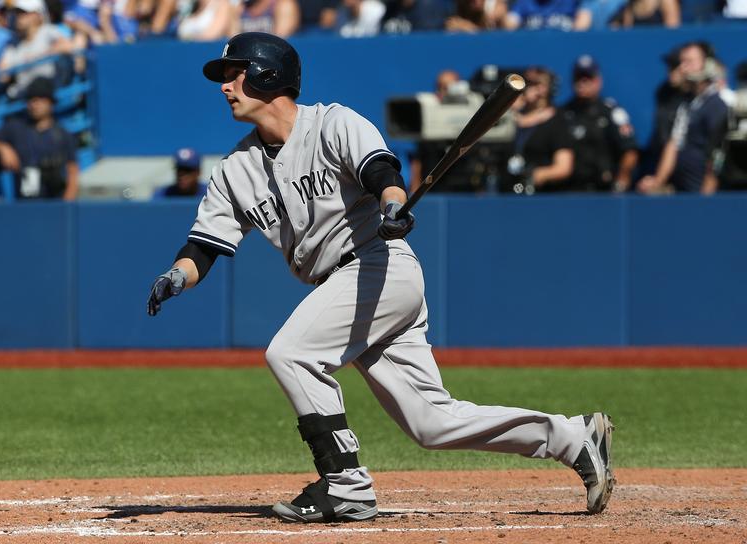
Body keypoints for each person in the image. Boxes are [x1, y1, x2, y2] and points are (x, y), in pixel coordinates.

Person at [146, 32, 614, 523]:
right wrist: (178, 275)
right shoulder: (233, 171)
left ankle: (345, 485)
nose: (225, 85)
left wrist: (394, 204)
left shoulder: (332, 123)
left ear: (269, 73)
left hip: (378, 263)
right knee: (431, 423)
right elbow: (203, 246)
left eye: (234, 72)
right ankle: (573, 438)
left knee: (291, 353)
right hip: (342, 285)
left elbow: (380, 170)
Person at [637, 53, 730, 194]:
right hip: (685, 188)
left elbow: (719, 148)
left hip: (706, 188)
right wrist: (659, 181)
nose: (683, 68)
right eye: (681, 63)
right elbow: (673, 144)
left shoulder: (718, 103)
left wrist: (710, 183)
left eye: (690, 61)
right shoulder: (685, 105)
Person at [0, 77, 79, 200]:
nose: (35, 104)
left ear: (51, 102)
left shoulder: (63, 134)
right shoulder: (16, 128)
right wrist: (2, 148)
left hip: (55, 202)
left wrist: (66, 207)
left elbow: (73, 173)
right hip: (26, 204)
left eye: (40, 100)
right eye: (31, 100)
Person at [561, 55, 637, 192]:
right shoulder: (564, 113)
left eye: (588, 78)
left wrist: (622, 178)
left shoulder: (611, 111)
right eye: (578, 78)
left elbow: (629, 150)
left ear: (598, 81)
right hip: (570, 189)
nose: (582, 82)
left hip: (603, 188)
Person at [505, 66, 573, 193]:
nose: (530, 88)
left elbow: (564, 167)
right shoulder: (511, 117)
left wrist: (537, 175)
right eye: (527, 83)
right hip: (507, 189)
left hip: (540, 193)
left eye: (536, 83)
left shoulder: (557, 120)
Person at [0, 0, 75, 100]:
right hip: (23, 100)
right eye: (17, 13)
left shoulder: (48, 31)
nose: (19, 17)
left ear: (37, 15)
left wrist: (38, 57)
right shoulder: (13, 44)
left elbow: (69, 46)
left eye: (23, 13)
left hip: (47, 96)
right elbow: (2, 76)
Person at [504, 0, 578, 30]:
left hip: (562, 49)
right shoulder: (524, 2)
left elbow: (581, 25)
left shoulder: (570, 2)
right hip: (532, 50)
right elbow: (510, 23)